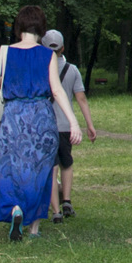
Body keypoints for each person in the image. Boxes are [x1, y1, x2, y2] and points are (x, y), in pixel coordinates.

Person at [0, 5, 82, 240]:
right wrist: (73, 122)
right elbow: (57, 91)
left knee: (12, 168)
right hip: (41, 117)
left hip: (14, 118)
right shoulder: (47, 54)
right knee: (40, 169)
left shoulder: (5, 52)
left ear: (18, 27)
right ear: (41, 28)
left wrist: (8, 82)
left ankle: (15, 208)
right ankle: (34, 228)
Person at [41, 29, 97, 222]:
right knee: (67, 163)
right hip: (65, 125)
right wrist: (89, 124)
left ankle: (54, 209)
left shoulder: (40, 67)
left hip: (45, 125)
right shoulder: (71, 70)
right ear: (63, 47)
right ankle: (67, 201)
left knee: (51, 167)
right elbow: (81, 98)